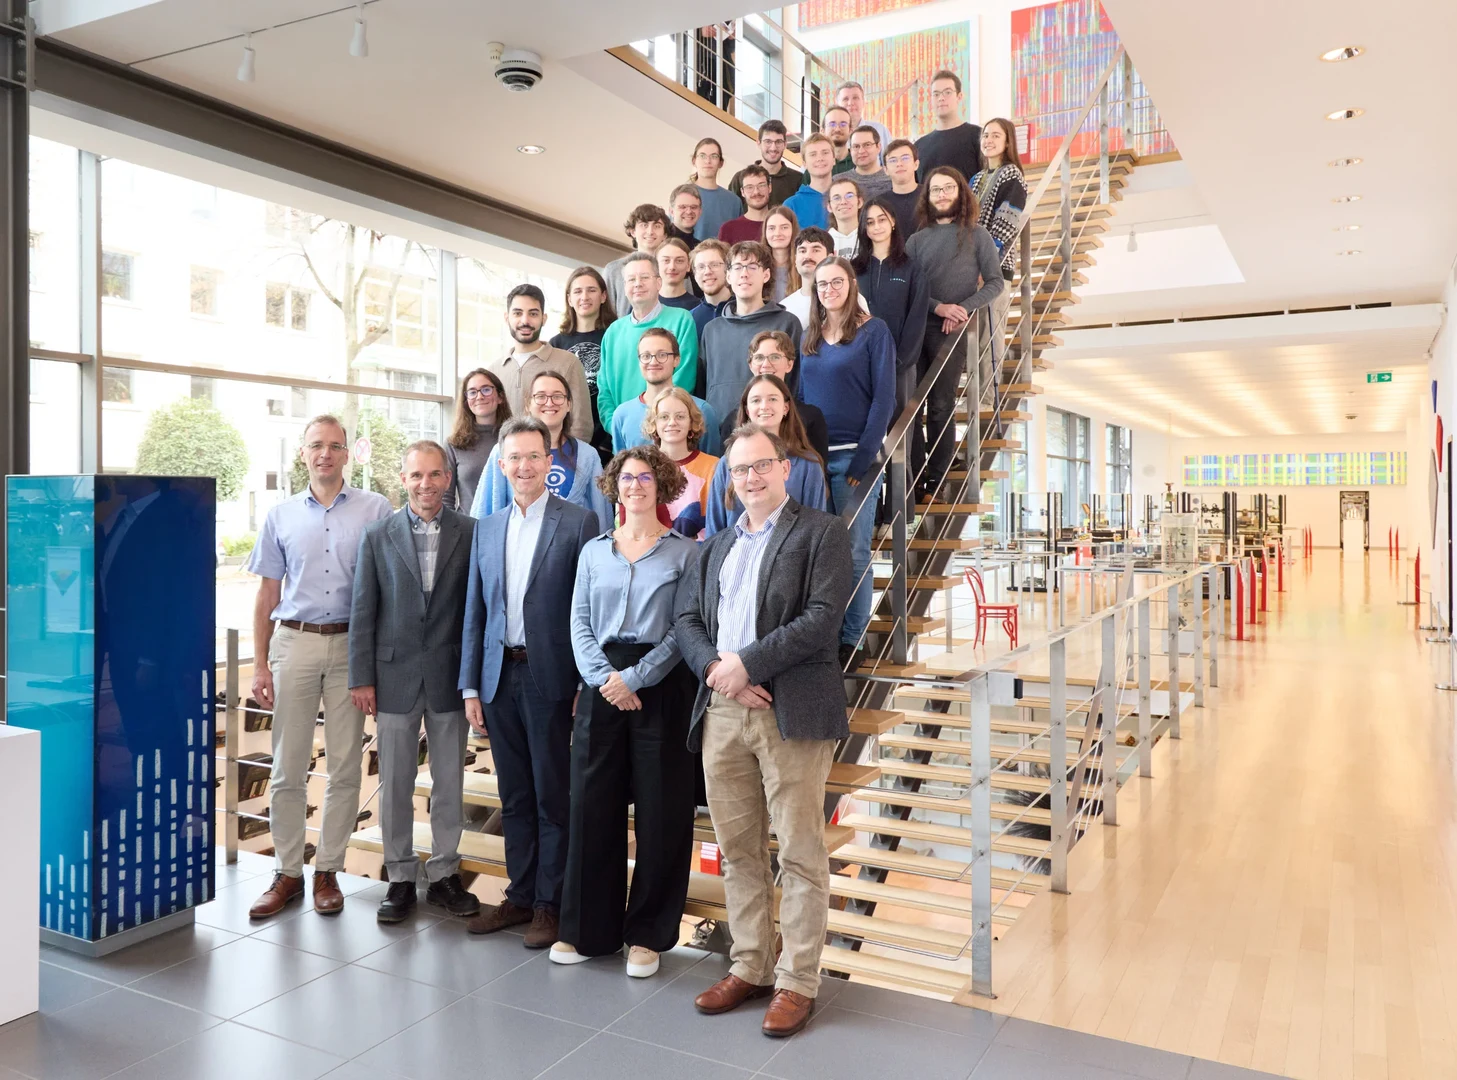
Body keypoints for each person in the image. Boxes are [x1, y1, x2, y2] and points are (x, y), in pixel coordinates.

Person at [676, 424, 853, 1038]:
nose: (749, 478)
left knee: (800, 852)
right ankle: (751, 963)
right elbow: (688, 620)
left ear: (785, 468)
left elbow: (823, 619)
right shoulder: (714, 545)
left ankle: (798, 981)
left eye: (760, 466)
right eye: (739, 470)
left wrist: (747, 664)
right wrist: (716, 671)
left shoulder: (823, 532)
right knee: (739, 850)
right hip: (723, 712)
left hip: (791, 711)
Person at [551, 447, 699, 978]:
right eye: (626, 478)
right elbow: (579, 621)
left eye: (645, 477)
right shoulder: (594, 552)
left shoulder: (685, 553)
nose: (635, 485)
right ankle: (588, 930)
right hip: (601, 680)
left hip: (661, 683)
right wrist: (605, 679)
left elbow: (687, 628)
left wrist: (636, 679)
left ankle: (649, 936)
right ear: (615, 487)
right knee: (593, 805)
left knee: (662, 812)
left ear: (661, 486)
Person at [245, 416, 393, 920]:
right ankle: (288, 873)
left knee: (346, 766)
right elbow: (267, 592)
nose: (325, 454)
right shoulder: (281, 516)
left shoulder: (376, 509)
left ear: (347, 454)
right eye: (316, 446)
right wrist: (260, 664)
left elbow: (389, 587)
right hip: (296, 643)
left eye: (334, 446)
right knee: (288, 766)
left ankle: (328, 868)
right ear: (303, 454)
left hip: (353, 647)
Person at [460, 416, 599, 947]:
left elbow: (587, 610)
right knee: (514, 796)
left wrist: (585, 680)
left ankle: (550, 904)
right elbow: (476, 609)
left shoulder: (579, 521)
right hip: (498, 679)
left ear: (550, 463)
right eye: (514, 458)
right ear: (502, 464)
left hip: (551, 679)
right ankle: (519, 896)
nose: (523, 466)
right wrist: (471, 685)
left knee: (551, 797)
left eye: (533, 457)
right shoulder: (487, 527)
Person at [349, 441, 480, 923]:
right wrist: (361, 676)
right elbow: (363, 611)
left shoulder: (471, 533)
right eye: (416, 476)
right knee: (396, 783)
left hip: (450, 677)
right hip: (392, 677)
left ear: (448, 478)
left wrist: (474, 680)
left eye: (435, 475)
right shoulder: (377, 535)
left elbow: (477, 611)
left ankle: (445, 873)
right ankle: (401, 877)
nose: (426, 484)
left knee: (449, 783)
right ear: (402, 480)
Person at [797, 255, 896, 664]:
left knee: (854, 553)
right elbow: (800, 400)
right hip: (815, 462)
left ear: (851, 285)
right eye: (822, 284)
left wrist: (863, 457)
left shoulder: (873, 332)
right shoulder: (810, 336)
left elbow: (884, 399)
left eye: (837, 282)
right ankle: (824, 634)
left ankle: (851, 640)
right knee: (819, 554)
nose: (829, 290)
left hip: (857, 461)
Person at [905, 167, 1005, 498]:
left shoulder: (978, 235)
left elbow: (995, 282)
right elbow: (909, 286)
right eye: (936, 190)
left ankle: (937, 477)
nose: (943, 194)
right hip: (917, 325)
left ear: (961, 193)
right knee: (911, 406)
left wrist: (961, 308)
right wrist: (939, 307)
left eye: (949, 188)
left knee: (941, 403)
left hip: (953, 330)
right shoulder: (916, 241)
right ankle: (914, 478)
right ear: (928, 197)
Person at [471, 371, 613, 525]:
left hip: (572, 547)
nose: (549, 403)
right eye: (540, 396)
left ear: (569, 404)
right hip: (514, 545)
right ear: (528, 404)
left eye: (557, 396)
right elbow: (485, 512)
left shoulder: (587, 456)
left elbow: (601, 516)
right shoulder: (503, 450)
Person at [700, 240, 803, 432]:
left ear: (766, 274)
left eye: (752, 267)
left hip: (772, 429)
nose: (744, 274)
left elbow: (795, 383)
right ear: (728, 276)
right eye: (738, 267)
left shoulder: (788, 323)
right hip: (720, 431)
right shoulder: (711, 329)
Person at [706, 375, 828, 536]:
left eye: (772, 399)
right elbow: (714, 531)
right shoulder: (725, 464)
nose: (764, 406)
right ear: (748, 410)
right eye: (756, 400)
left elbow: (816, 529)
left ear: (786, 407)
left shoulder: (808, 465)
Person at [597, 252, 700, 431]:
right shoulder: (613, 332)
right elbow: (604, 389)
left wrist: (655, 423)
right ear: (624, 286)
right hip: (624, 433)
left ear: (659, 283)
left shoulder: (681, 320)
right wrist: (617, 424)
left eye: (644, 277)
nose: (638, 284)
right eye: (631, 279)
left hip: (668, 430)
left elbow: (684, 377)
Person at [486, 284, 593, 443]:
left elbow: (581, 425)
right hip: (507, 462)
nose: (525, 321)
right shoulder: (494, 371)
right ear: (507, 318)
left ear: (544, 319)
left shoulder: (568, 363)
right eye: (517, 313)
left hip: (557, 463)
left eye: (533, 314)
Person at [853, 196, 930, 408]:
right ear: (864, 228)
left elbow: (916, 318)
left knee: (898, 428)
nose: (876, 226)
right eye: (870, 222)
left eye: (882, 219)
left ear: (893, 222)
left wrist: (900, 362)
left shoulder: (911, 269)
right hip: (857, 364)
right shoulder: (853, 269)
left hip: (899, 366)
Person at [720, 330, 831, 464]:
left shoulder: (811, 417)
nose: (766, 364)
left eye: (775, 357)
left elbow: (819, 474)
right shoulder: (732, 421)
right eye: (759, 358)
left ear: (789, 364)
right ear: (750, 365)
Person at [969, 117, 1028, 365]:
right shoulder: (976, 178)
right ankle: (975, 399)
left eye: (996, 135)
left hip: (995, 269)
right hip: (972, 268)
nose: (988, 140)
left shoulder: (1012, 175)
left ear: (1007, 142)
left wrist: (986, 265)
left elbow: (1005, 224)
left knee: (990, 338)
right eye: (985, 135)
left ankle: (988, 400)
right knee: (974, 336)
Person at [610, 327, 721, 456]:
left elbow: (712, 469)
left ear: (676, 360)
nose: (653, 361)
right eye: (646, 356)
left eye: (662, 355)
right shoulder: (622, 415)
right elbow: (621, 470)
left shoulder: (701, 410)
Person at [550, 267, 618, 462]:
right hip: (567, 444)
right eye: (578, 291)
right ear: (569, 299)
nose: (584, 296)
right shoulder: (556, 345)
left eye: (592, 290)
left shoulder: (615, 336)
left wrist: (608, 440)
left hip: (608, 442)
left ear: (603, 296)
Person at [644, 386, 719, 538]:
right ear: (654, 424)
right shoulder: (641, 467)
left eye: (680, 416)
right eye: (664, 417)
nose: (672, 422)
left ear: (692, 422)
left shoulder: (714, 467)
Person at [445, 368, 512, 513]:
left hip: (508, 528)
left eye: (486, 390)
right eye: (472, 392)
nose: (479, 396)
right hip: (467, 529)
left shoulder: (514, 439)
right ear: (466, 401)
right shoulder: (454, 444)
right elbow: (446, 498)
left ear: (500, 397)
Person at [781, 227, 868, 331]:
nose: (808, 256)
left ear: (831, 257)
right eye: (802, 250)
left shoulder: (851, 298)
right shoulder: (785, 307)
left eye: (816, 250)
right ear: (795, 259)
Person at [914, 69, 982, 182]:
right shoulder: (919, 146)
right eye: (936, 94)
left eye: (947, 92)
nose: (941, 98)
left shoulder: (978, 137)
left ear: (959, 96)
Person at [603, 204, 670, 316]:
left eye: (657, 226)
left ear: (665, 235)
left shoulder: (672, 269)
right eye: (644, 225)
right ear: (632, 231)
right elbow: (606, 313)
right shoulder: (613, 270)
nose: (650, 231)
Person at [728, 119, 801, 209]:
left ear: (785, 144)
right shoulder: (740, 178)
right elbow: (731, 214)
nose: (773, 148)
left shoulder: (798, 180)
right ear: (758, 143)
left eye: (778, 142)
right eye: (768, 142)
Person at [690, 138, 743, 242]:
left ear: (721, 163)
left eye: (714, 156)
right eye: (702, 156)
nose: (708, 161)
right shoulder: (682, 195)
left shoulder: (734, 201)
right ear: (694, 161)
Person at [781, 133, 835, 231]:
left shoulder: (846, 198)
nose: (820, 158)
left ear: (834, 159)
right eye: (813, 154)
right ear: (804, 163)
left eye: (825, 152)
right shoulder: (791, 205)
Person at [689, 239, 734, 339]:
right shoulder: (689, 319)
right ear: (694, 274)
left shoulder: (744, 312)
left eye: (714, 265)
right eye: (701, 267)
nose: (707, 272)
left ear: (728, 269)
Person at [718, 165, 772, 245]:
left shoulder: (780, 227)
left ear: (769, 188)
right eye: (749, 187)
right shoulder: (728, 229)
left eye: (761, 185)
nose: (756, 192)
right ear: (742, 192)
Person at [881, 138, 922, 240]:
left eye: (905, 158)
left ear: (916, 164)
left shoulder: (932, 196)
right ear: (885, 170)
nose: (899, 164)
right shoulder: (879, 204)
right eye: (893, 160)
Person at [836, 81, 891, 155]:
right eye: (845, 99)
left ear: (863, 102)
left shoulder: (880, 130)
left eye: (855, 98)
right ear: (837, 104)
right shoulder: (832, 135)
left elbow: (889, 163)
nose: (850, 103)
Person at [802, 105, 855, 181]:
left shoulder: (858, 162)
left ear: (850, 131)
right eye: (832, 124)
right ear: (822, 131)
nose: (837, 129)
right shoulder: (814, 167)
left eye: (843, 124)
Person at [764, 205, 800, 304]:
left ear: (793, 230)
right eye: (771, 228)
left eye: (784, 227)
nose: (777, 233)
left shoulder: (803, 267)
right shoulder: (757, 267)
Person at [848, 126, 892, 203]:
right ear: (850, 150)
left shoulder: (893, 179)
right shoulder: (839, 181)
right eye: (856, 146)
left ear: (878, 147)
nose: (861, 151)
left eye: (867, 145)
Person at [657, 238, 699, 310]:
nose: (672, 267)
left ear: (688, 266)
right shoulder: (646, 303)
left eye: (679, 261)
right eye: (666, 260)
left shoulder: (697, 307)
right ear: (657, 265)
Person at [827, 176, 863, 258]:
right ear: (829, 207)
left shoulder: (871, 235)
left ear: (860, 202)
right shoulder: (824, 241)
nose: (843, 202)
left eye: (849, 196)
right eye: (836, 198)